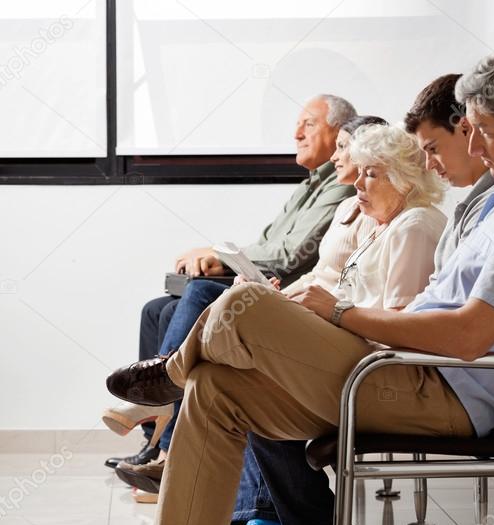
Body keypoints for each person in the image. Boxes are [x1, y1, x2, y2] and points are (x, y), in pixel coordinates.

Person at [81, 48, 494, 525]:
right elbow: (443, 309)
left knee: (243, 303)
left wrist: (344, 314)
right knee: (217, 385)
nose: (474, 147)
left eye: (482, 133)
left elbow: (467, 335)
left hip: (443, 393)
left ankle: (168, 376)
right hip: (407, 369)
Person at [218, 73, 494, 525]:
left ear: (404, 177)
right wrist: (311, 309)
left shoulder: (416, 225)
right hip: (367, 351)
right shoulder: (385, 223)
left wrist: (326, 313)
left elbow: (397, 326)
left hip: (386, 365)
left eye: (371, 174)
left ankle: (286, 522)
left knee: (244, 330)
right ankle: (277, 523)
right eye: (359, 172)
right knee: (241, 351)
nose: (356, 183)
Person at [112, 114, 394, 493]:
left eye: (312, 126)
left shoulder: (356, 202)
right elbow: (310, 265)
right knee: (160, 308)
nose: (299, 135)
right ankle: (160, 438)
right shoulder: (337, 199)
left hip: (323, 314)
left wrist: (242, 269)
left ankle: (166, 423)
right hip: (303, 296)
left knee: (205, 302)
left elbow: (298, 260)